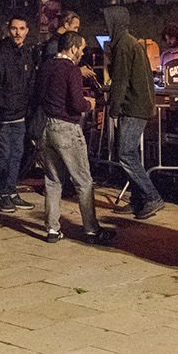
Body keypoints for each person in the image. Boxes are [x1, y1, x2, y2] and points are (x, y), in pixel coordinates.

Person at [34, 32, 115, 245]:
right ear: (72, 48)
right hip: (67, 128)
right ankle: (91, 229)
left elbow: (39, 96)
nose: (83, 53)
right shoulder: (71, 70)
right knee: (83, 181)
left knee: (52, 180)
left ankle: (52, 228)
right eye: (82, 48)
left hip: (46, 127)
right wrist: (90, 103)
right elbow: (76, 104)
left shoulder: (46, 66)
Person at [101, 6, 165, 220]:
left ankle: (151, 197)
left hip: (133, 107)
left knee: (125, 153)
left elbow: (120, 80)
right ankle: (138, 199)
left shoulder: (123, 46)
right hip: (140, 105)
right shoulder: (130, 42)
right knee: (131, 154)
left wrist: (113, 108)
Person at [0, 14, 38, 213]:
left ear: (27, 30)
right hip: (4, 117)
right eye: (15, 28)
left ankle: (12, 191)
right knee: (3, 156)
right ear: (8, 30)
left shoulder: (26, 54)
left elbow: (30, 82)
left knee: (16, 155)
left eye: (22, 29)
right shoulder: (0, 55)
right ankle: (2, 194)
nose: (18, 33)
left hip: (21, 115)